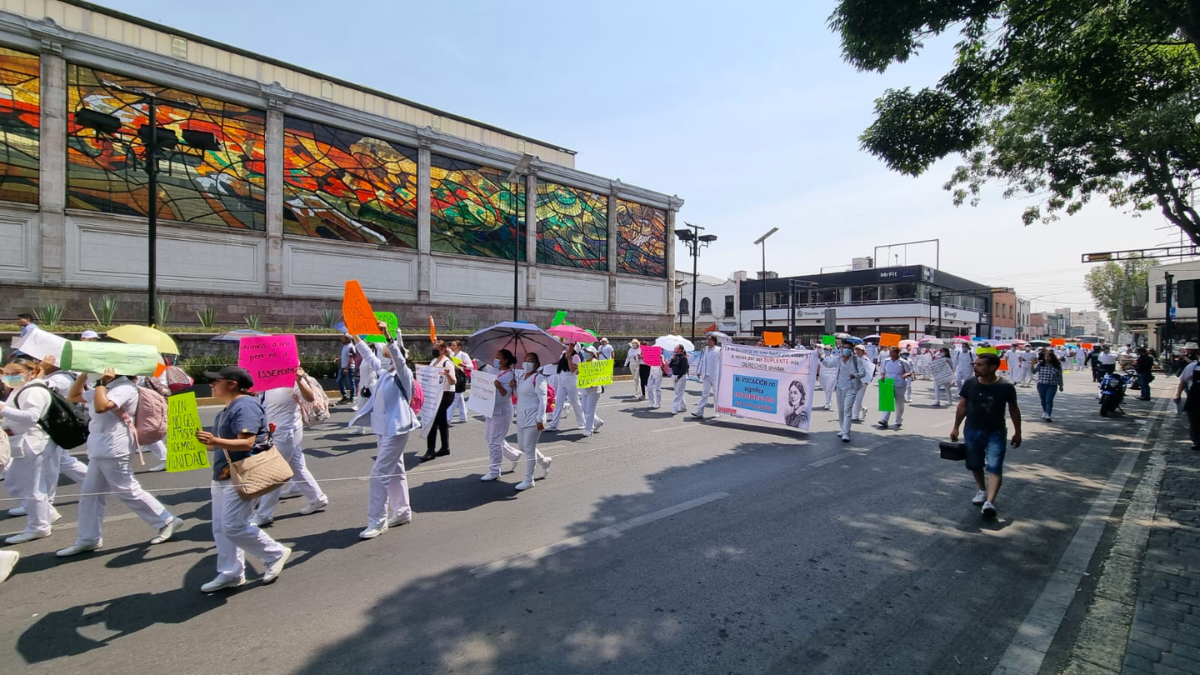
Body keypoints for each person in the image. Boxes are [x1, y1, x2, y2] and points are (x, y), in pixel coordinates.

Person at [56, 367, 182, 557]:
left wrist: (99, 383)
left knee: (126, 488)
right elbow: (73, 396)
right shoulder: (108, 386)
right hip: (99, 447)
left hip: (115, 446)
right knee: (90, 495)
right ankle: (88, 538)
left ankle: (166, 520)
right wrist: (83, 373)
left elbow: (101, 406)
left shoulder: (124, 388)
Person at [193, 366, 290, 591]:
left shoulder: (244, 405)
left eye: (217, 381)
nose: (212, 384)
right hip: (223, 473)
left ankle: (274, 553)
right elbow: (223, 444)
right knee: (220, 527)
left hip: (242, 474)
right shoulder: (225, 409)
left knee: (234, 526)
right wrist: (209, 443)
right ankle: (230, 572)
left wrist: (215, 442)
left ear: (232, 384)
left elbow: (246, 443)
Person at [349, 321, 418, 538]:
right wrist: (355, 337)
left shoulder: (403, 375)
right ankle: (403, 511)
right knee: (396, 470)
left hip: (396, 430)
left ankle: (377, 521)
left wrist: (388, 334)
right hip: (381, 429)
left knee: (379, 474)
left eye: (387, 351)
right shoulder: (384, 373)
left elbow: (398, 358)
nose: (383, 354)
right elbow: (369, 358)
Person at [250, 367, 329, 527]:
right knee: (297, 466)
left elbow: (310, 396)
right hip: (274, 432)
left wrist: (299, 379)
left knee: (275, 472)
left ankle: (264, 514)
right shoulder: (262, 380)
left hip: (286, 432)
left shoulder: (290, 379)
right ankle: (317, 498)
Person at [950, 353, 1022, 518]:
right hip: (972, 430)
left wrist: (1018, 432)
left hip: (995, 432)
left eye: (980, 365)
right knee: (975, 464)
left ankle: (989, 502)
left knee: (995, 466)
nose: (975, 367)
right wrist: (956, 427)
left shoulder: (1006, 387)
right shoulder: (970, 383)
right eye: (975, 364)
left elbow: (1013, 409)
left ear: (993, 367)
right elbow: (962, 406)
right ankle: (982, 490)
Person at [0, 358, 60, 543]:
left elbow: (31, 417)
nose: (9, 377)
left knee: (29, 487)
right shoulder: (22, 389)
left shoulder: (34, 390)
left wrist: (2, 409)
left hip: (32, 443)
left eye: (15, 373)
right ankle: (46, 514)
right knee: (16, 482)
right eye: (7, 374)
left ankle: (39, 526)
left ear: (31, 372)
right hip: (23, 441)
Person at [29, 355, 88, 513]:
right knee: (63, 461)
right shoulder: (54, 375)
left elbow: (37, 388)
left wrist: (41, 370)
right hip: (51, 425)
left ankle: (45, 502)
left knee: (50, 464)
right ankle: (97, 483)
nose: (37, 362)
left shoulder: (62, 377)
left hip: (58, 425)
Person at [480, 349, 523, 482]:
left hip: (502, 411)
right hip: (490, 408)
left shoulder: (511, 375)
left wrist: (499, 387)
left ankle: (494, 471)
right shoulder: (493, 370)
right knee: (489, 437)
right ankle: (513, 455)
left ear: (505, 360)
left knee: (495, 442)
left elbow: (506, 394)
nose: (496, 360)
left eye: (499, 358)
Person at [513, 352, 553, 490]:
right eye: (525, 360)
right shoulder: (522, 377)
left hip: (534, 417)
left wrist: (540, 418)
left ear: (536, 364)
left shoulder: (539, 378)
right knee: (523, 447)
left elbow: (543, 399)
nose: (526, 363)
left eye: (530, 360)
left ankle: (529, 479)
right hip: (521, 416)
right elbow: (520, 395)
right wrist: (513, 386)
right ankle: (545, 461)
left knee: (529, 448)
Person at [420, 341, 457, 461]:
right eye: (434, 348)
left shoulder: (447, 362)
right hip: (435, 394)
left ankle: (430, 450)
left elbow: (453, 381)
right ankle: (445, 447)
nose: (434, 350)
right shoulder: (433, 361)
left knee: (433, 420)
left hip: (446, 394)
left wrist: (447, 374)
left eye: (437, 348)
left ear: (443, 349)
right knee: (441, 421)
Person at [547, 343, 585, 431]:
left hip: (571, 382)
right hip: (561, 380)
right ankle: (553, 424)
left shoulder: (576, 356)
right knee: (558, 403)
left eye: (569, 345)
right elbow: (555, 362)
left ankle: (582, 422)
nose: (566, 346)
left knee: (576, 403)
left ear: (574, 347)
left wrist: (569, 359)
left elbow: (572, 370)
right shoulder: (563, 353)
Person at [834, 343, 867, 442]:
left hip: (851, 388)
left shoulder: (857, 360)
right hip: (840, 387)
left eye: (848, 348)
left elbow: (863, 373)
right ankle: (843, 429)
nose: (846, 349)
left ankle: (846, 433)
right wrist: (820, 357)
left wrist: (855, 375)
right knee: (841, 411)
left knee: (847, 411)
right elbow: (828, 364)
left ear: (852, 350)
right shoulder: (839, 359)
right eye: (844, 348)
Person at [877, 347, 914, 430]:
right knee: (888, 401)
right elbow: (882, 371)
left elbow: (909, 372)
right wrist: (883, 376)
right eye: (890, 352)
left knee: (899, 402)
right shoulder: (886, 361)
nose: (891, 354)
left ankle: (898, 419)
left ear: (897, 353)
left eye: (893, 353)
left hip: (899, 382)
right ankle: (884, 419)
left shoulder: (903, 362)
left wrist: (905, 375)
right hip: (888, 382)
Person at [1173, 343, 1200, 452]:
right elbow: (1183, 381)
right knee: (1195, 421)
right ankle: (1197, 441)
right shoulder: (1193, 366)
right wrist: (1177, 394)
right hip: (1196, 397)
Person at [692, 336, 722, 420]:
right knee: (705, 393)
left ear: (714, 341)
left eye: (709, 340)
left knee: (716, 394)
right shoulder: (705, 349)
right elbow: (702, 360)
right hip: (706, 374)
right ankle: (699, 411)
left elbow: (722, 362)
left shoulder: (718, 350)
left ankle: (717, 411)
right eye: (707, 339)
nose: (707, 341)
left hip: (715, 375)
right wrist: (699, 371)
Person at [578, 346, 606, 436]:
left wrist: (595, 382)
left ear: (593, 354)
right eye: (585, 352)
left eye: (588, 352)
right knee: (585, 409)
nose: (586, 354)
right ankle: (597, 421)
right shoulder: (583, 362)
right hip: (585, 389)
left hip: (594, 390)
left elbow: (602, 377)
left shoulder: (596, 363)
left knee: (590, 410)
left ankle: (588, 429)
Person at [1033, 350, 1064, 422]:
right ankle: (1044, 411)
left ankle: (1048, 414)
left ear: (1052, 357)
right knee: (1043, 399)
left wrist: (1061, 385)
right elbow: (1034, 371)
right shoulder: (1041, 364)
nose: (1047, 358)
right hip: (1041, 384)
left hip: (1052, 385)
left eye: (1048, 356)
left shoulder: (1057, 366)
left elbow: (1060, 376)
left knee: (1049, 400)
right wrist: (1032, 365)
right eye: (1046, 356)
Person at [446, 340, 473, 424]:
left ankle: (447, 418)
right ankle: (463, 416)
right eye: (452, 345)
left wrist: (464, 365)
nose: (452, 347)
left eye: (454, 345)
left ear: (459, 346)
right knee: (459, 397)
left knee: (455, 397)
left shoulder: (463, 355)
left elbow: (471, 366)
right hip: (454, 375)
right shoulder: (452, 355)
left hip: (461, 377)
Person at [852, 344, 875, 421]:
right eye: (856, 350)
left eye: (859, 350)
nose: (857, 351)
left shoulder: (866, 360)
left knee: (858, 398)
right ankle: (863, 408)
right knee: (853, 398)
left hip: (863, 381)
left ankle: (855, 415)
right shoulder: (853, 359)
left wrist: (867, 380)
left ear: (863, 351)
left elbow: (869, 371)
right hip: (854, 380)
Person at [336, 336, 357, 405]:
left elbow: (351, 358)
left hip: (349, 368)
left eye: (343, 338)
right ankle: (344, 396)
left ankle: (352, 398)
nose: (341, 339)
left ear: (348, 339)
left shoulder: (351, 347)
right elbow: (345, 356)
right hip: (343, 367)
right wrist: (339, 359)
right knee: (339, 381)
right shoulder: (345, 346)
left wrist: (347, 368)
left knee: (351, 383)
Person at [669, 345, 690, 414]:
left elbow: (684, 369)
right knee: (678, 392)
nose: (675, 349)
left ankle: (675, 409)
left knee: (678, 393)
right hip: (674, 375)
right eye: (675, 347)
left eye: (676, 348)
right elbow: (670, 366)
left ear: (680, 349)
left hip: (681, 377)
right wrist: (672, 359)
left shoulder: (684, 358)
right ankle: (683, 406)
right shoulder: (675, 356)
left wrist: (679, 377)